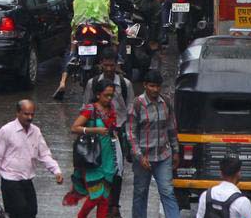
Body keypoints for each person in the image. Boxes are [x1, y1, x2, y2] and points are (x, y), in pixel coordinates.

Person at [0, 100, 64, 218]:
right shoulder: (6, 131)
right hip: (11, 182)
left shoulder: (36, 131)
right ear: (18, 113)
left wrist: (56, 170)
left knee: (32, 212)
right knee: (19, 213)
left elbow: (44, 154)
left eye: (32, 114)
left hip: (27, 181)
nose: (30, 117)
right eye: (26, 114)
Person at [53, 0, 117, 100]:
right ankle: (118, 62)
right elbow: (107, 9)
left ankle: (63, 81)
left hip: (80, 26)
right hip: (101, 27)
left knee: (72, 45)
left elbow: (73, 6)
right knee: (114, 36)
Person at [83, 50, 133, 217]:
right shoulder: (92, 83)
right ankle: (99, 200)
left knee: (117, 170)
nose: (109, 69)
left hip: (118, 132)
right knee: (98, 169)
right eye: (106, 65)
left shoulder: (125, 84)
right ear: (101, 64)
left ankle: (114, 205)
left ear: (117, 64)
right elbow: (85, 108)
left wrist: (129, 135)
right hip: (98, 134)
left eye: (112, 65)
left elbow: (130, 110)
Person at [127, 70, 180, 218]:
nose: (155, 90)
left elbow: (172, 128)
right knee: (140, 192)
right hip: (143, 158)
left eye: (157, 86)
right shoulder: (137, 105)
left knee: (167, 191)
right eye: (152, 86)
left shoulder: (166, 102)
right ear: (145, 85)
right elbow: (131, 134)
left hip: (163, 155)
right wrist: (139, 156)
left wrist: (176, 151)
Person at [65, 80, 120, 218]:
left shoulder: (111, 109)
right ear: (97, 95)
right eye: (106, 95)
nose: (109, 98)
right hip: (93, 159)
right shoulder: (90, 109)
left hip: (108, 157)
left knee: (105, 198)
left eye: (111, 95)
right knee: (96, 196)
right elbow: (74, 128)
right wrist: (94, 130)